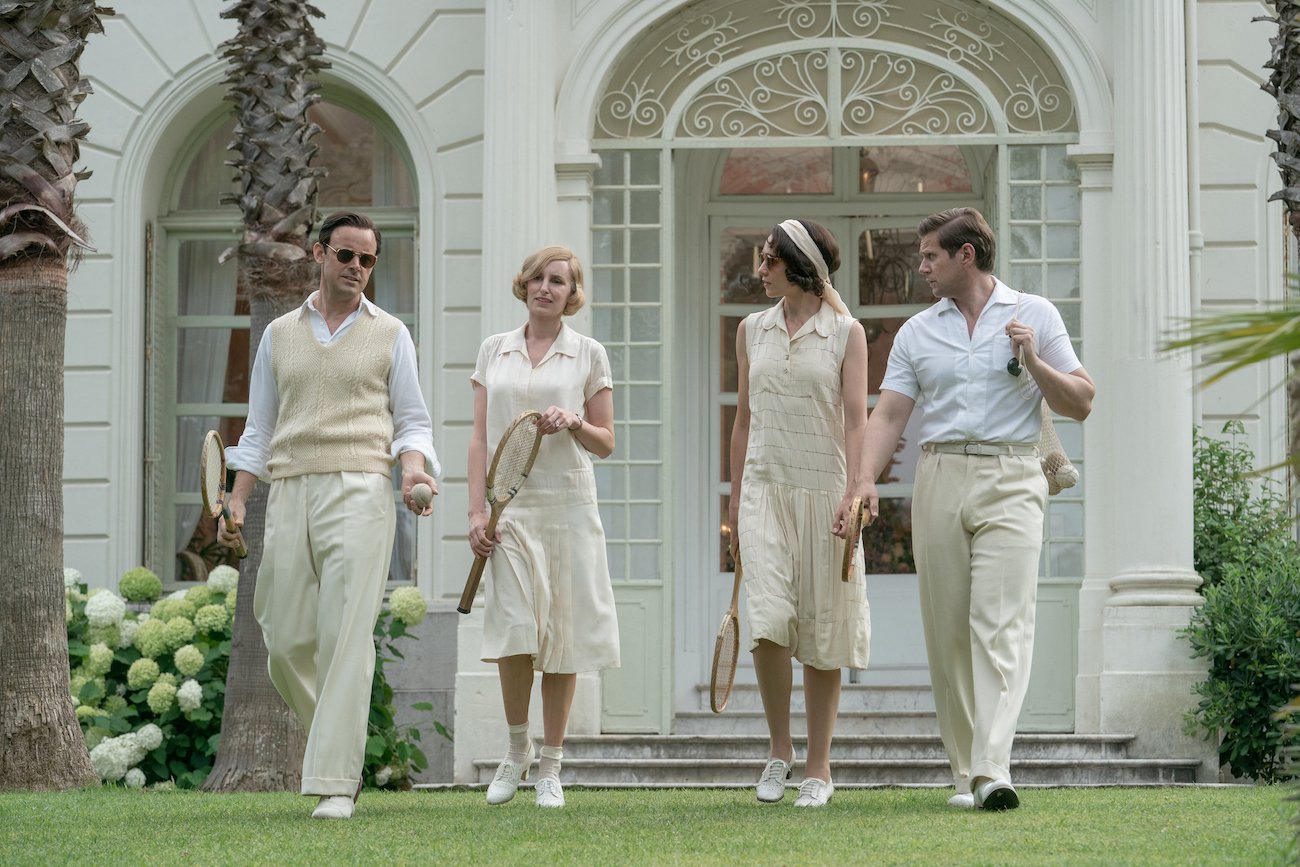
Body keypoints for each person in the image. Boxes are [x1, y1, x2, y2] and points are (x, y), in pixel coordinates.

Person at [860, 207, 1095, 811]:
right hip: (939, 475)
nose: (922, 266)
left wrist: (1035, 361)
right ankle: (967, 771)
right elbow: (888, 415)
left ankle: (994, 766)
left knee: (1001, 623)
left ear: (966, 256)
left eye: (931, 256)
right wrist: (861, 481)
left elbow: (1083, 401)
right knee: (948, 633)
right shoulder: (917, 331)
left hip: (1013, 475)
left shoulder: (1034, 314)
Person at [217, 211, 440, 820]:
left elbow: (411, 418)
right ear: (319, 254)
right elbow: (258, 427)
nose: (357, 269)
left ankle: (335, 783)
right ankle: (341, 748)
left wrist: (414, 471)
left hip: (362, 487)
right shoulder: (279, 335)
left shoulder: (391, 332)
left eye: (368, 261)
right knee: (283, 638)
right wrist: (238, 496)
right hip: (288, 488)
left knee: (346, 634)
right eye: (347, 256)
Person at [468, 245, 620, 809]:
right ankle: (515, 752)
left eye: (558, 281)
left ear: (570, 293)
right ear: (524, 285)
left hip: (569, 510)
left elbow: (606, 441)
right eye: (537, 278)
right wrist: (477, 511)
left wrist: (575, 420)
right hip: (509, 512)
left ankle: (551, 766)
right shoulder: (493, 351)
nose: (545, 288)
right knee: (513, 632)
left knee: (562, 637)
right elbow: (480, 437)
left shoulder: (588, 354)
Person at [728, 219, 871, 808]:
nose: (759, 270)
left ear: (798, 265)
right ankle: (779, 751)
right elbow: (742, 421)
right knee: (766, 621)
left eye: (769, 261)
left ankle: (818, 766)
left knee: (822, 628)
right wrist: (735, 506)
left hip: (826, 493)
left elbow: (858, 420)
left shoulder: (847, 333)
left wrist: (856, 495)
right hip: (764, 491)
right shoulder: (749, 330)